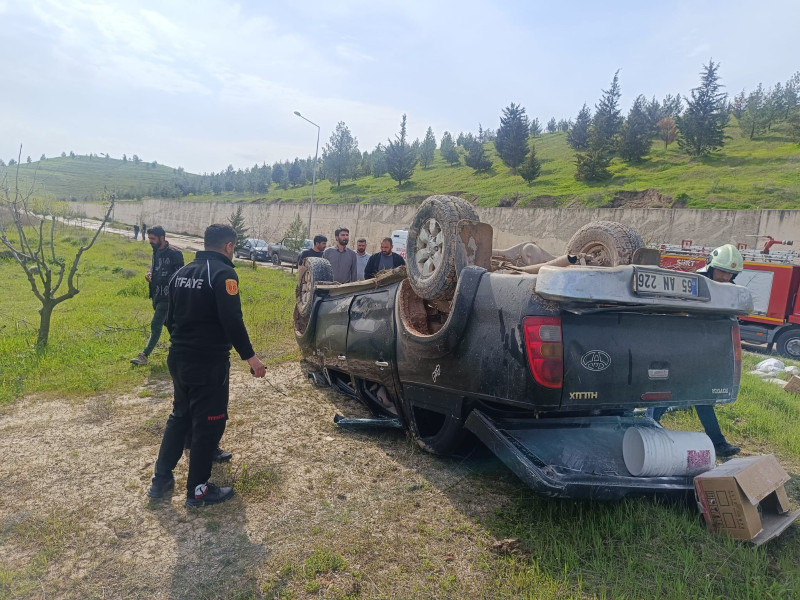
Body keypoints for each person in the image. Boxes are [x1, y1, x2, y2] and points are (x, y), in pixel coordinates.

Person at [146, 224, 266, 508]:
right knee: (208, 423)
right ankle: (198, 491)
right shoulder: (224, 274)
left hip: (178, 357)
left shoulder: (180, 274)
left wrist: (184, 342)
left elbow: (168, 318)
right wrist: (251, 358)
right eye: (233, 247)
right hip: (208, 362)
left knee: (180, 416)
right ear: (228, 246)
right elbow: (232, 320)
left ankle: (160, 480)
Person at [652, 244, 743, 457]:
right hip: (680, 349)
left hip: (706, 353)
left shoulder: (730, 291)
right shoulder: (693, 284)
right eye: (721, 271)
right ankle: (646, 430)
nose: (725, 277)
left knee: (702, 396)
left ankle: (718, 443)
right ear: (710, 267)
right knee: (665, 392)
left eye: (730, 273)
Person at [131, 226, 183, 366]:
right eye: (149, 238)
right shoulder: (156, 251)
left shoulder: (175, 253)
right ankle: (184, 348)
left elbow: (180, 275)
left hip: (168, 297)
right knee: (169, 324)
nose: (150, 241)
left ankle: (144, 355)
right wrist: (149, 273)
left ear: (162, 238)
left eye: (153, 239)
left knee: (156, 323)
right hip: (156, 295)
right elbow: (154, 266)